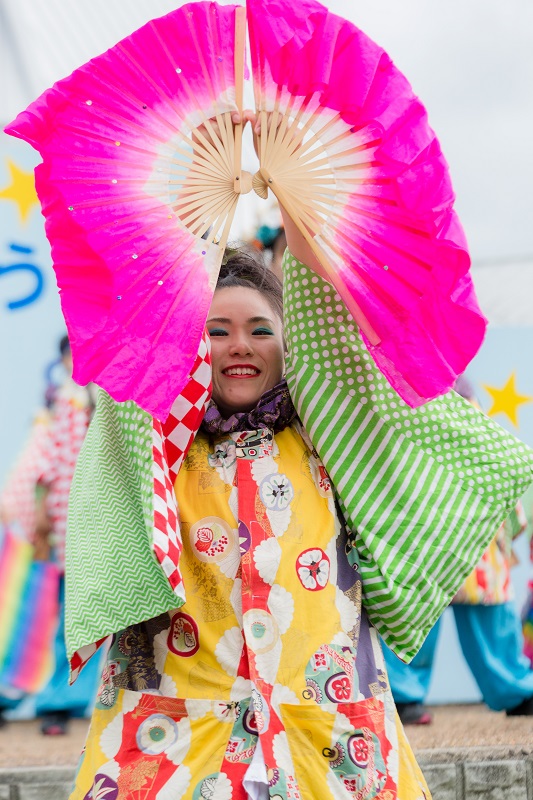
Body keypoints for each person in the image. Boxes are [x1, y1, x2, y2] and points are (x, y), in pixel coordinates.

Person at [62, 114, 533, 800]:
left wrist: (291, 192)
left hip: (326, 735)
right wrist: (201, 193)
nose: (238, 344)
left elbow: (331, 325)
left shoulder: (323, 431)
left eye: (259, 329)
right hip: (180, 729)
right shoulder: (161, 438)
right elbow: (153, 318)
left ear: (288, 345)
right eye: (215, 330)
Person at [382, 376, 533, 724]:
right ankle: (404, 696)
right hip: (424, 530)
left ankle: (516, 689)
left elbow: (499, 464)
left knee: (491, 619)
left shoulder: (464, 400)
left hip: (473, 530)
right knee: (415, 617)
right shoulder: (405, 398)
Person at [0, 336, 102, 735]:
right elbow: (47, 462)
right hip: (61, 528)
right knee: (48, 614)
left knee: (70, 616)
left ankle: (60, 698)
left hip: (87, 523)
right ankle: (48, 697)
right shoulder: (67, 399)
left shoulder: (91, 398)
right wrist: (39, 514)